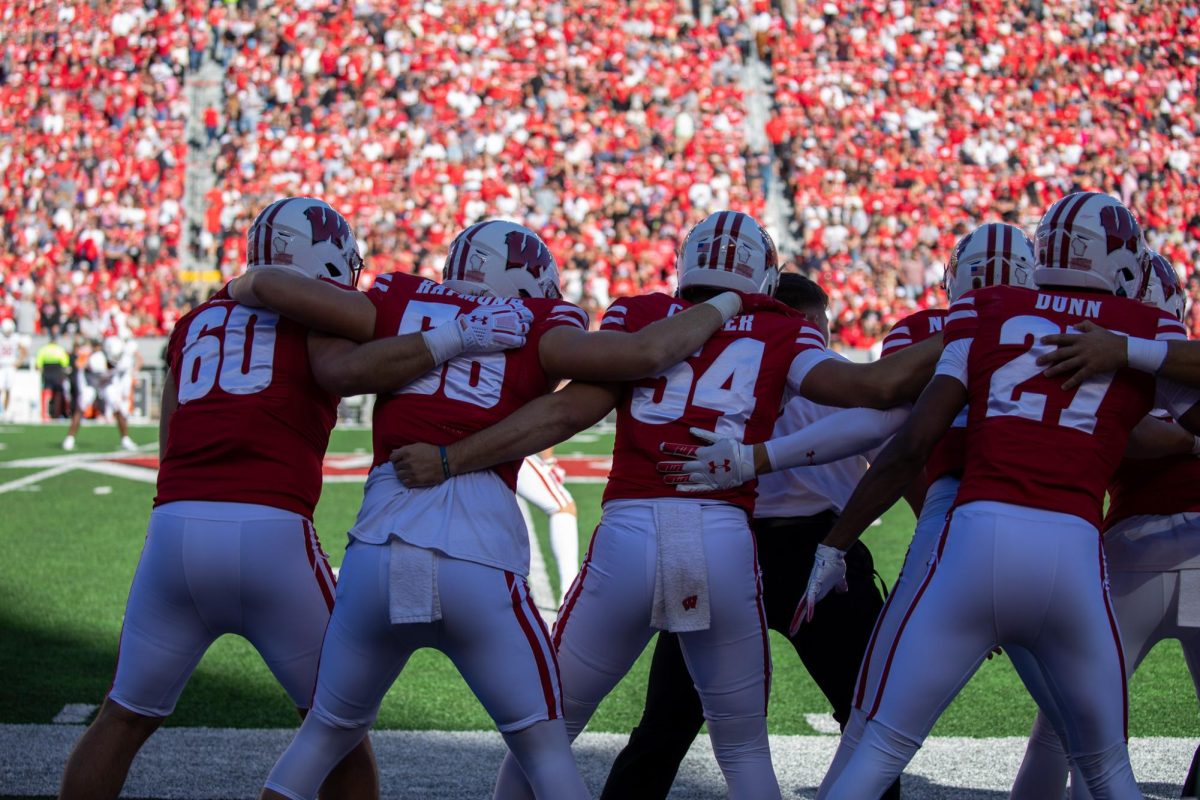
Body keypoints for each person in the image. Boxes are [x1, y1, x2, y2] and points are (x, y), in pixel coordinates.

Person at [390, 210, 940, 800]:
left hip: (629, 531)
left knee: (550, 732)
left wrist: (454, 455)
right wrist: (975, 327)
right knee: (744, 749)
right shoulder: (783, 326)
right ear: (765, 275)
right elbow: (876, 390)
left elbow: (570, 410)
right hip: (724, 538)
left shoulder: (637, 312)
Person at [258, 218, 755, 800]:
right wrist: (732, 298)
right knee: (546, 756)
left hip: (380, 541)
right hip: (479, 549)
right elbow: (641, 356)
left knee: (321, 738)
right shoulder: (543, 322)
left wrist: (247, 285)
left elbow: (283, 294)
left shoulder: (399, 299)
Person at [57, 197, 529, 800]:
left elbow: (170, 433)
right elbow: (353, 369)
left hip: (175, 529)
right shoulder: (323, 317)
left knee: (123, 716)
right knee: (338, 733)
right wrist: (456, 336)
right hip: (271, 530)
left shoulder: (196, 320)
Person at [798, 192, 1200, 799]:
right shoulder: (1142, 328)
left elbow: (909, 444)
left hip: (970, 537)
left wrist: (834, 545)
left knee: (877, 749)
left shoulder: (987, 310)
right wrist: (1129, 351)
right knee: (1107, 768)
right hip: (1073, 553)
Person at [599, 273, 899, 800]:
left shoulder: (712, 372)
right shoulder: (834, 379)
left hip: (722, 544)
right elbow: (898, 453)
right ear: (807, 323)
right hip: (814, 549)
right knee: (866, 715)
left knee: (667, 723)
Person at [1010, 252, 1200, 799]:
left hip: (1133, 555)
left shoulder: (1104, 354)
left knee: (1068, 723)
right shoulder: (1161, 357)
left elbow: (1135, 436)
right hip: (1171, 548)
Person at [517, 449, 580, 605]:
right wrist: (549, 461)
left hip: (459, 447)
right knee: (563, 506)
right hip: (499, 445)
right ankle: (570, 596)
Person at [62, 337, 136, 451]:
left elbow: (119, 374)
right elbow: (86, 373)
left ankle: (125, 439)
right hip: (90, 381)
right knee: (82, 404)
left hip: (107, 382)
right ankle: (70, 438)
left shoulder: (124, 360)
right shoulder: (96, 360)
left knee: (117, 405)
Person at [35, 329, 71, 420]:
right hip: (57, 373)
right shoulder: (60, 349)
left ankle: (44, 414)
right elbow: (65, 364)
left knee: (46, 392)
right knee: (58, 393)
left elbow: (38, 364)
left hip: (47, 372)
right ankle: (56, 413)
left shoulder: (43, 349)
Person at [0, 317, 30, 420]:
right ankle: (1, 410)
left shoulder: (15, 337)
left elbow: (24, 350)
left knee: (8, 389)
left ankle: (4, 412)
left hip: (10, 366)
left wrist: (18, 362)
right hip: (1, 366)